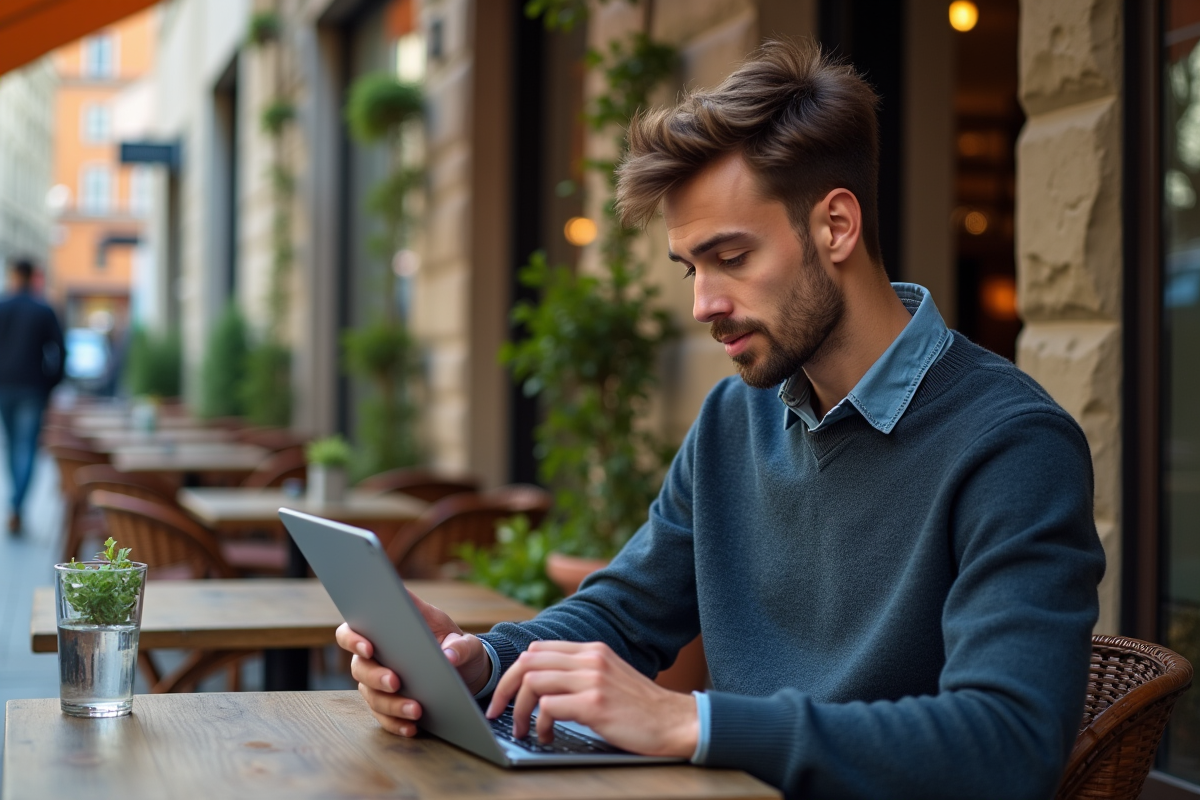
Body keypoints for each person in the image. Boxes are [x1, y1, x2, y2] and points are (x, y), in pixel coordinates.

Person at [336, 40, 1105, 799]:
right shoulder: (737, 417)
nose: (703, 303)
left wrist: (693, 723)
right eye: (691, 268)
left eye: (731, 257)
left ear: (836, 226)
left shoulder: (1012, 443)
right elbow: (626, 612)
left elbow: (1009, 745)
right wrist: (478, 662)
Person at [0, 258, 66, 534]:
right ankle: (18, 506)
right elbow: (61, 352)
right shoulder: (43, 309)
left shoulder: (3, 307)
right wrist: (49, 384)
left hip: (5, 387)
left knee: (13, 445)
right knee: (26, 447)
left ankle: (16, 505)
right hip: (33, 389)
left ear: (15, 276)